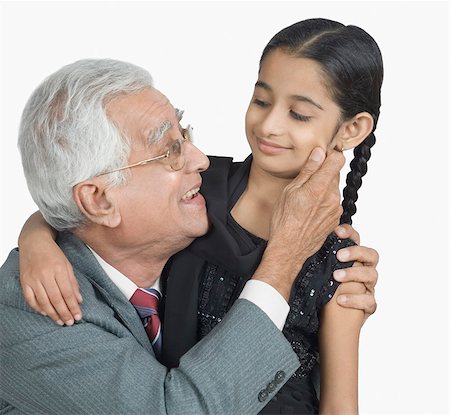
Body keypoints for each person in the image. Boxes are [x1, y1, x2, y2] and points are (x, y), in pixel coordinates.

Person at [16, 18, 381, 414]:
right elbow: (88, 199)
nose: (270, 125)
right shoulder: (201, 194)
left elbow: (340, 402)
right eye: (261, 101)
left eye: (299, 114)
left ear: (352, 130)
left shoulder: (338, 261)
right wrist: (35, 238)